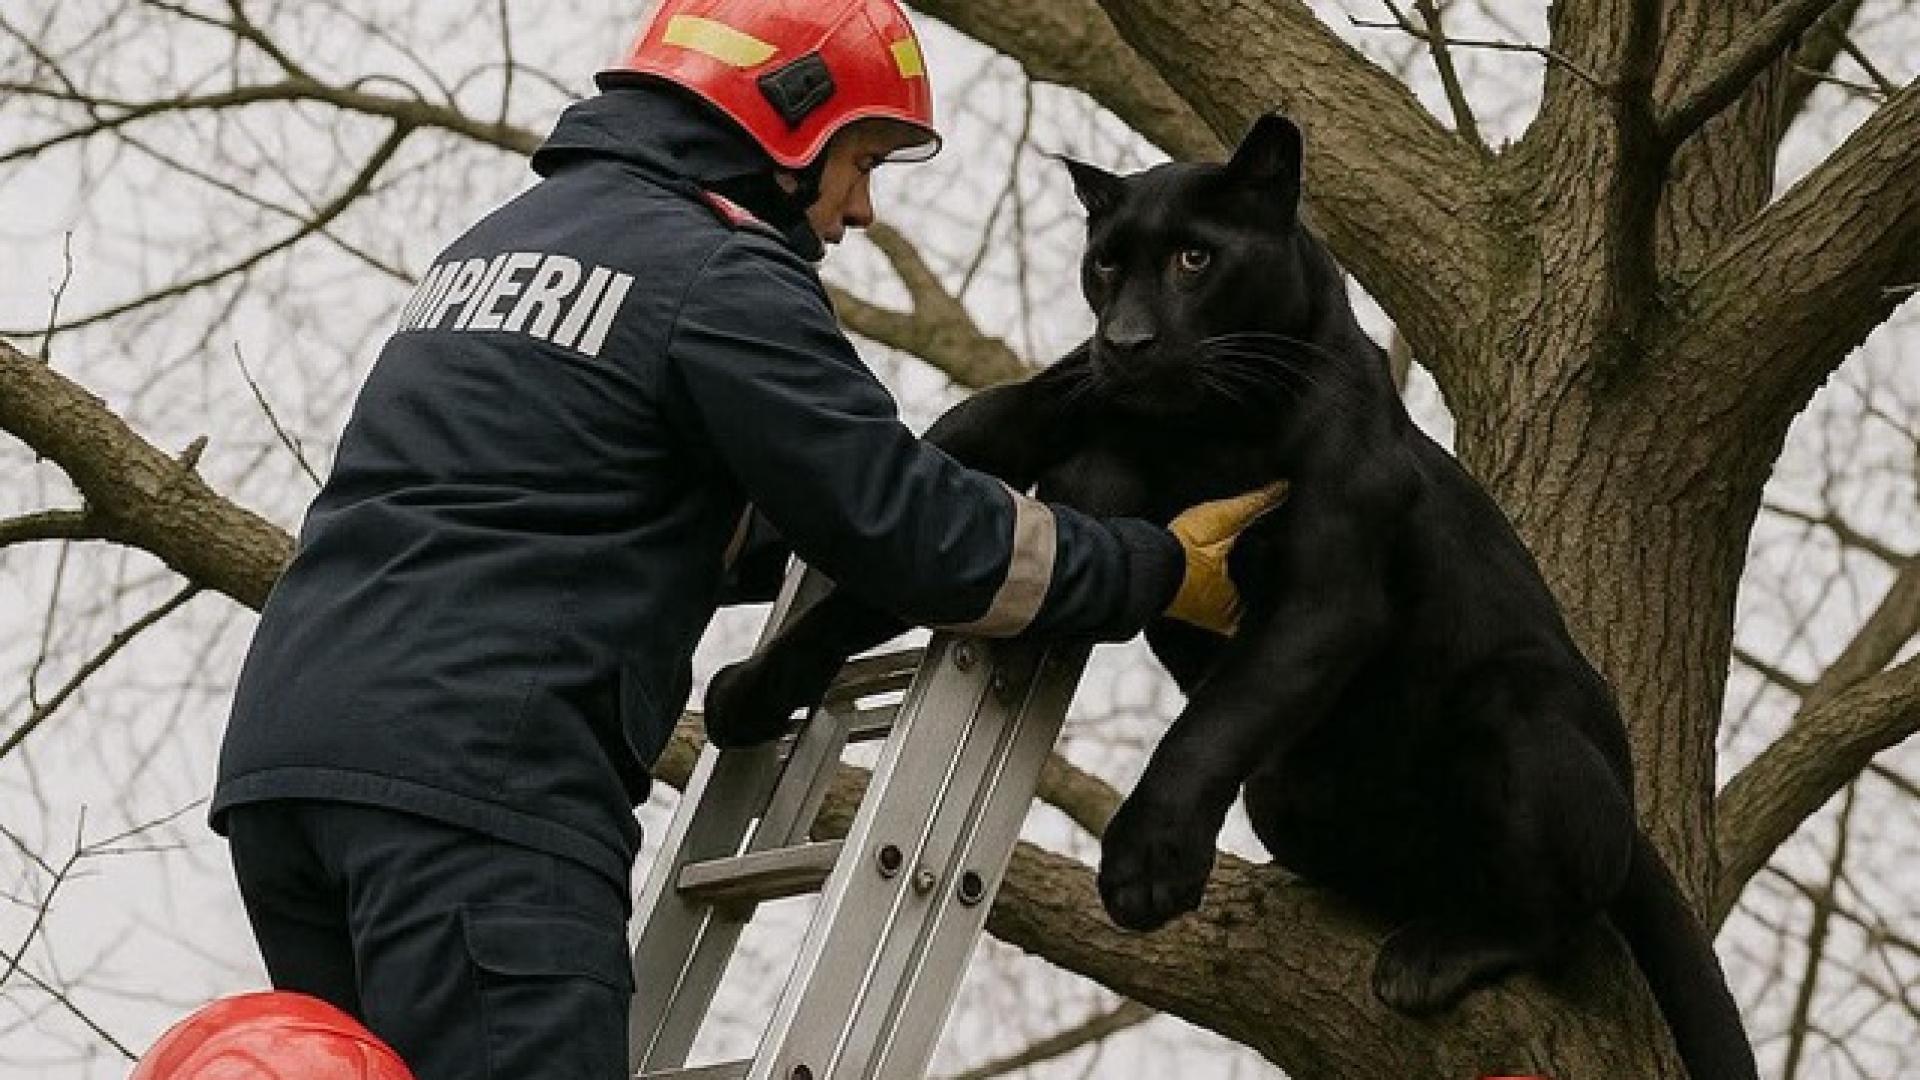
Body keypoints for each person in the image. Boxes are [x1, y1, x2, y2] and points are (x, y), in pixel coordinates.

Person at [206, 2, 1283, 1078]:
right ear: (789, 125)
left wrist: (811, 524)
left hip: (287, 779)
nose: (857, 211)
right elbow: (916, 534)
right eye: (861, 161)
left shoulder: (500, 244)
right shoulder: (717, 273)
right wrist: (1153, 569)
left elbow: (596, 500)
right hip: (482, 784)